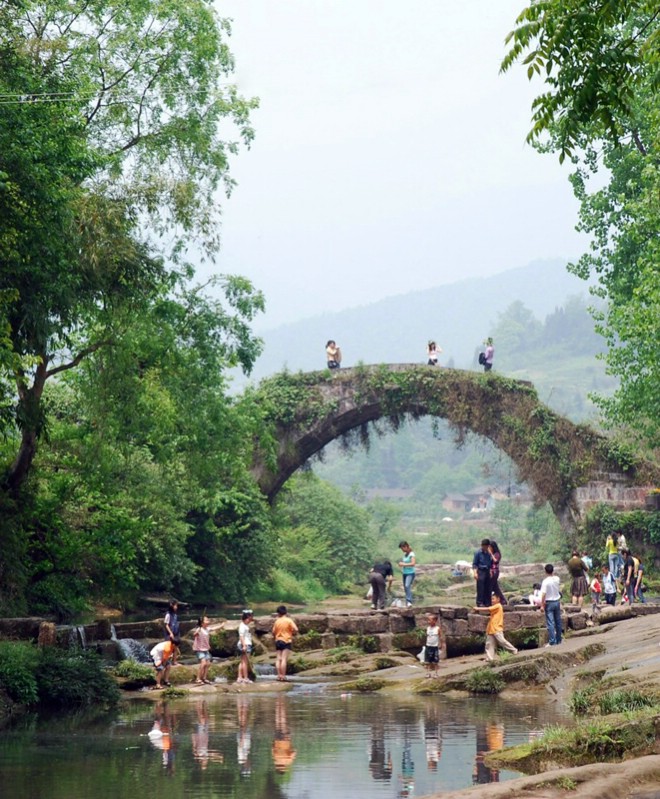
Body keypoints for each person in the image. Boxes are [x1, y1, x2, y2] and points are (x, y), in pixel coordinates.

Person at [473, 594, 518, 661]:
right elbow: (489, 610)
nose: (492, 600)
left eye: (493, 599)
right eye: (491, 599)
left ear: (498, 599)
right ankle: (490, 658)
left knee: (502, 641)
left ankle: (513, 650)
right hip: (491, 629)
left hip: (497, 628)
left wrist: (478, 608)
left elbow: (488, 609)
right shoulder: (495, 607)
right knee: (489, 644)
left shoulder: (498, 606)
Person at [272, 605, 299, 682]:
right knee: (284, 659)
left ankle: (279, 675)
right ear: (285, 612)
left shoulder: (277, 621)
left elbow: (273, 632)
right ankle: (283, 676)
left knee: (278, 659)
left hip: (278, 640)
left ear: (278, 613)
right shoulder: (289, 620)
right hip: (286, 640)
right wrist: (292, 632)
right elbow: (296, 629)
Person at [540, 563, 562, 646]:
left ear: (545, 571)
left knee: (550, 623)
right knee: (558, 621)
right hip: (557, 601)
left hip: (549, 603)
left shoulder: (545, 582)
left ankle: (552, 641)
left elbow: (543, 594)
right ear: (553, 570)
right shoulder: (557, 579)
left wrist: (542, 605)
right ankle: (559, 639)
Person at [472, 539, 493, 607]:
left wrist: (490, 571)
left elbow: (490, 563)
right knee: (480, 588)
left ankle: (487, 602)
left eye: (487, 547)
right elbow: (475, 564)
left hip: (487, 571)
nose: (485, 548)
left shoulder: (488, 553)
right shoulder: (478, 553)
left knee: (488, 587)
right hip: (481, 571)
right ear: (482, 546)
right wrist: (475, 573)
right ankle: (480, 602)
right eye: (484, 546)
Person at [192, 615, 212, 685]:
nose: (208, 621)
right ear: (202, 623)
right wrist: (196, 633)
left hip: (206, 649)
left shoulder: (207, 629)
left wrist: (222, 625)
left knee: (208, 663)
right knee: (203, 663)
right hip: (199, 649)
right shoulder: (199, 629)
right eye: (206, 620)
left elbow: (214, 628)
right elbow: (194, 635)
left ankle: (204, 678)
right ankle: (198, 678)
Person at [237, 609, 254, 684]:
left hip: (245, 644)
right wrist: (244, 645)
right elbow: (241, 636)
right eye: (249, 619)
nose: (250, 621)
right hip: (245, 644)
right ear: (245, 618)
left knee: (242, 662)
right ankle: (245, 678)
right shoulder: (242, 626)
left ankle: (240, 677)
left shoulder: (244, 625)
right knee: (245, 662)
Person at [397, 541, 416, 607]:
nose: (402, 550)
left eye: (402, 548)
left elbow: (413, 563)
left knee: (407, 585)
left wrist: (404, 564)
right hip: (405, 573)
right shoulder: (405, 555)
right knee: (405, 587)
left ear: (406, 546)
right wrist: (401, 564)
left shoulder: (412, 554)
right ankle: (407, 601)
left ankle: (409, 601)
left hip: (410, 573)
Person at [489, 540, 507, 605]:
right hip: (490, 572)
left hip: (495, 572)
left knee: (490, 587)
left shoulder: (497, 554)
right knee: (495, 587)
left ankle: (488, 601)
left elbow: (496, 561)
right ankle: (503, 600)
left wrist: (491, 553)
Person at [424, 613, 442, 677]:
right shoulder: (428, 628)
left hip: (435, 647)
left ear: (434, 621)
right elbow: (427, 637)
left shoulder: (437, 628)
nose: (428, 622)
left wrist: (441, 645)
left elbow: (440, 637)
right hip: (428, 646)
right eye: (428, 620)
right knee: (427, 661)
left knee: (435, 661)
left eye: (430, 620)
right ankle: (428, 673)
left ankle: (436, 673)